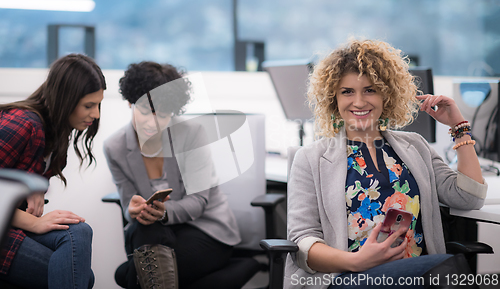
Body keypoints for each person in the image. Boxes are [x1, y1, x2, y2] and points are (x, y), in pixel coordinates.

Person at [284, 39, 487, 289]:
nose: (359, 102)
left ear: (386, 94)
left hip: (417, 273)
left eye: (370, 90)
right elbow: (303, 243)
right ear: (333, 98)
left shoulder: (416, 147)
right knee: (451, 272)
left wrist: (459, 127)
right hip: (349, 276)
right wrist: (356, 261)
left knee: (446, 272)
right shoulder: (310, 158)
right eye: (347, 91)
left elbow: (468, 197)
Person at [103, 61, 241, 289]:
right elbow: (129, 204)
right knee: (143, 231)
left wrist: (164, 212)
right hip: (157, 233)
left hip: (206, 230)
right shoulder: (114, 147)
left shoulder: (191, 134)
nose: (152, 123)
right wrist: (133, 209)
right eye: (145, 112)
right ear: (129, 103)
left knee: (129, 274)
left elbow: (198, 202)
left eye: (163, 115)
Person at [0, 54, 106, 289]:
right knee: (82, 278)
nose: (96, 114)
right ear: (65, 99)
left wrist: (34, 183)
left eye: (98, 104)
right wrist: (35, 223)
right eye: (88, 106)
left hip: (13, 226)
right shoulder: (21, 123)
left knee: (79, 230)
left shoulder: (54, 133)